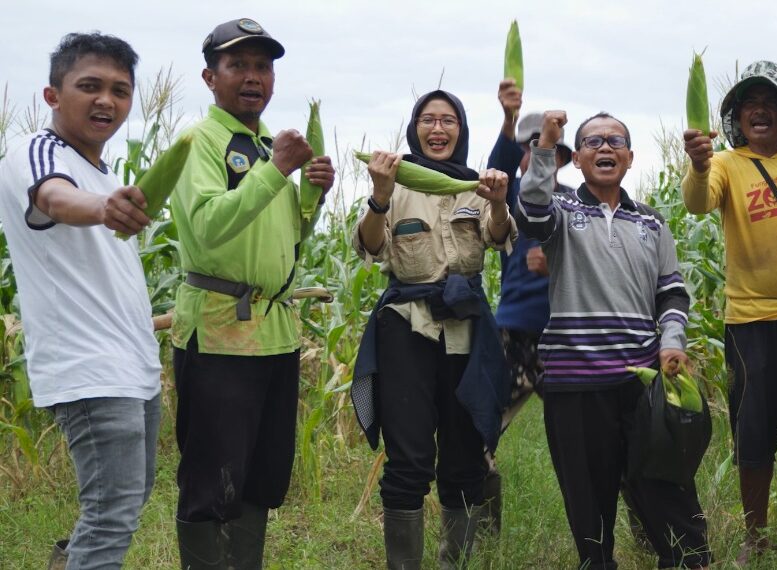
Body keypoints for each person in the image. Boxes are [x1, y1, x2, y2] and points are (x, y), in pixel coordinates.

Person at [169, 18, 335, 568]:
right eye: (237, 64)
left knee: (259, 479)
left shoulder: (265, 145)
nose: (253, 77)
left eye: (262, 66)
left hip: (273, 336)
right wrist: (276, 169)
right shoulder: (199, 143)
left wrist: (311, 198)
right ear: (209, 77)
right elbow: (209, 226)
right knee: (211, 481)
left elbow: (286, 243)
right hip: (219, 334)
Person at [516, 110, 711, 569]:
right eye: (592, 142)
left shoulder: (651, 222)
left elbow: (672, 293)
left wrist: (673, 340)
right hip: (574, 384)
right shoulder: (561, 211)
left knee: (667, 486)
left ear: (629, 157)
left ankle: (687, 562)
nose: (605, 148)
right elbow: (530, 213)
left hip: (643, 383)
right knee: (589, 501)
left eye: (615, 141)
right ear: (578, 160)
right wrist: (545, 145)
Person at [0, 32, 161, 570]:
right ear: (53, 96)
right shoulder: (38, 151)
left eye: (120, 90)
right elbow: (53, 197)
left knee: (127, 500)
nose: (106, 101)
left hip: (133, 366)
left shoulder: (105, 172)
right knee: (111, 512)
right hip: (90, 369)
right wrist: (102, 208)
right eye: (88, 86)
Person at [350, 89, 515, 569]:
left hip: (466, 331)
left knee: (464, 460)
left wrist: (500, 202)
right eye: (428, 120)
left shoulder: (475, 186)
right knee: (409, 460)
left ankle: (453, 563)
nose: (438, 129)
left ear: (461, 130)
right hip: (407, 329)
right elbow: (370, 249)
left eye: (448, 121)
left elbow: (498, 236)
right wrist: (380, 196)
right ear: (414, 128)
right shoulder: (394, 184)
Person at [681, 60, 777, 563]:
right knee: (754, 433)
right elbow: (698, 204)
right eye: (748, 104)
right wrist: (699, 165)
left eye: (770, 103)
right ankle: (754, 536)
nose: (758, 110)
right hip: (752, 323)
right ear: (736, 117)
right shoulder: (725, 164)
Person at [483, 79, 574, 533]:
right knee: (478, 430)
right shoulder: (512, 197)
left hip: (568, 336)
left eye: (549, 150)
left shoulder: (578, 202)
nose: (538, 157)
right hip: (515, 332)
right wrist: (508, 117)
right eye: (530, 148)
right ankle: (476, 538)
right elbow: (493, 171)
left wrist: (556, 267)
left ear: (561, 158)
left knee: (596, 437)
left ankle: (638, 528)